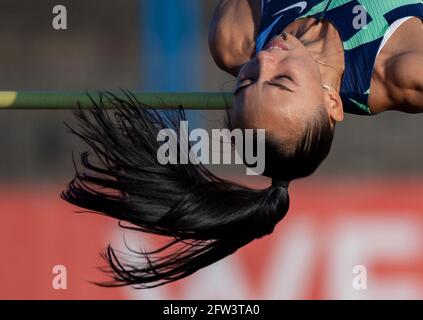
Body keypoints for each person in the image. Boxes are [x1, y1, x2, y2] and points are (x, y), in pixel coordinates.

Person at [62, 0, 423, 289]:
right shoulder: (402, 68)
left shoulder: (235, 37)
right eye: (282, 80)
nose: (265, 59)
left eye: (247, 81)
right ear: (332, 103)